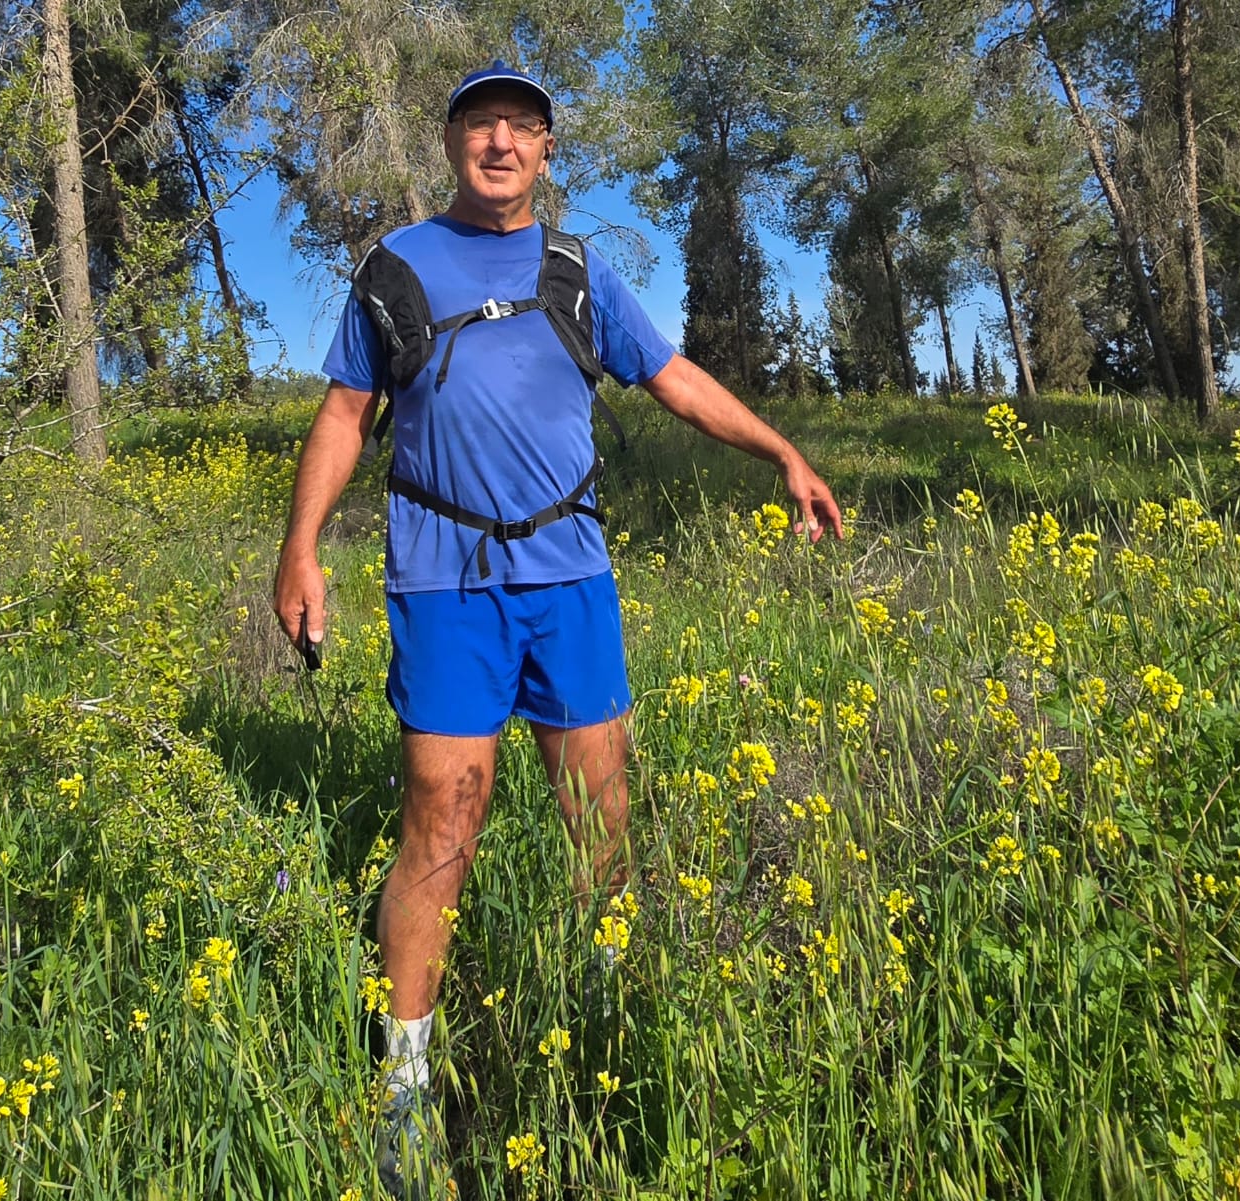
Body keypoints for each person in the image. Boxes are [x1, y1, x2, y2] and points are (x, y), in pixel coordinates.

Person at [272, 59, 844, 1200]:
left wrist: (782, 450)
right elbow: (344, 413)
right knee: (443, 821)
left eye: (520, 127)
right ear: (451, 145)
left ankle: (605, 1030)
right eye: (480, 124)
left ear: (544, 151)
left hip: (572, 579)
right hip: (445, 586)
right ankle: (403, 1088)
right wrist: (300, 548)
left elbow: (673, 378)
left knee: (601, 818)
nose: (500, 142)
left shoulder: (578, 272)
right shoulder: (396, 268)